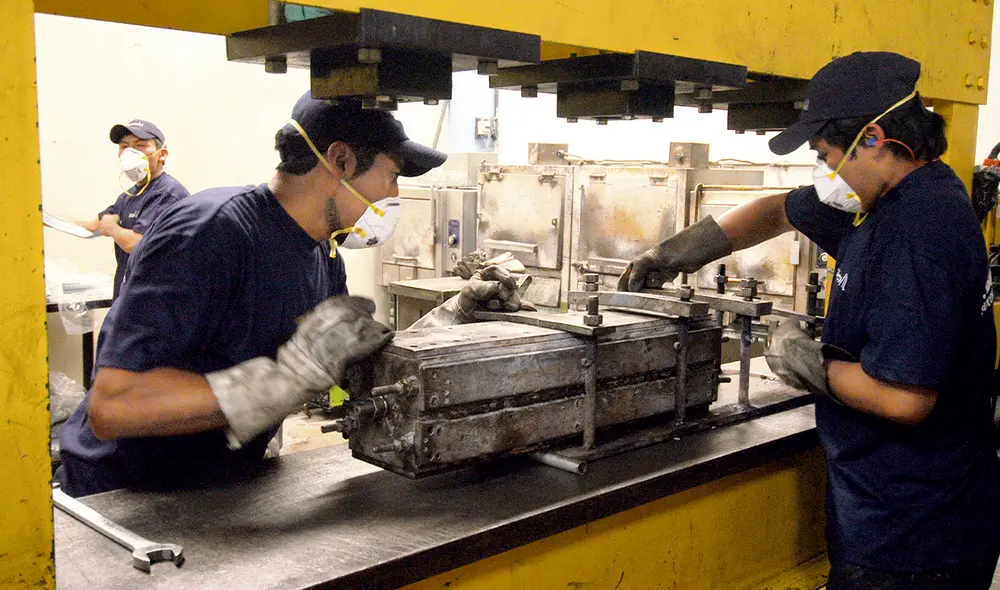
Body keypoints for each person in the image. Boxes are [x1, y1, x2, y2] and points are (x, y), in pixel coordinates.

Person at [620, 52, 1000, 589]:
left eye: (825, 154)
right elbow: (779, 210)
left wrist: (806, 361)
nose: (826, 172)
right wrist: (674, 254)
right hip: (896, 514)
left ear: (873, 137)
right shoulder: (893, 197)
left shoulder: (917, 232)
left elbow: (905, 400)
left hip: (916, 539)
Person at [56, 93, 530, 497]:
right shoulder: (209, 233)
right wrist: (282, 382)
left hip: (219, 488)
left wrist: (455, 320)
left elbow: (352, 364)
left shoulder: (322, 254)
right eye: (391, 175)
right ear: (340, 161)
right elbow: (114, 407)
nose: (393, 193)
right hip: (123, 495)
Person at [79, 119, 190, 300]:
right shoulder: (129, 195)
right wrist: (42, 218)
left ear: (162, 154)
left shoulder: (168, 193)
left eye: (140, 146)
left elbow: (135, 243)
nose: (130, 153)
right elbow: (94, 226)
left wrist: (112, 227)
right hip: (128, 296)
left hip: (154, 301)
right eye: (124, 146)